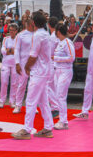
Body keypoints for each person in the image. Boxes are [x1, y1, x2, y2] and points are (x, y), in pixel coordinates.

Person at [11, 11, 54, 139]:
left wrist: (26, 66)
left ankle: (27, 130)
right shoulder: (45, 34)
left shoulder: (38, 35)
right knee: (43, 101)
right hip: (45, 70)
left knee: (31, 100)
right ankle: (47, 128)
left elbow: (33, 55)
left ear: (33, 23)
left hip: (39, 71)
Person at [52, 23, 75, 130]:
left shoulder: (67, 43)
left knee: (61, 95)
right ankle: (62, 119)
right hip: (58, 70)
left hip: (65, 70)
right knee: (58, 95)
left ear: (58, 32)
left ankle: (63, 121)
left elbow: (71, 58)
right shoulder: (60, 43)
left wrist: (56, 58)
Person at [13, 17, 35, 113]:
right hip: (23, 63)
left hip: (35, 63)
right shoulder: (20, 35)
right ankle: (18, 105)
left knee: (33, 85)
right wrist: (17, 63)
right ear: (29, 24)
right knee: (22, 85)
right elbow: (16, 49)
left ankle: (31, 105)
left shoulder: (37, 34)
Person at [0, 23, 18, 108]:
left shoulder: (19, 39)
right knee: (4, 82)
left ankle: (12, 101)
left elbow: (18, 51)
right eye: (10, 30)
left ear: (16, 31)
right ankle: (2, 101)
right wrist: (9, 51)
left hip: (15, 63)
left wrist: (10, 50)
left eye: (13, 30)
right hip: (6, 63)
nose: (11, 32)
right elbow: (3, 50)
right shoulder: (6, 38)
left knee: (14, 83)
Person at [46, 17, 60, 117]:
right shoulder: (58, 35)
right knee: (53, 87)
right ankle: (55, 106)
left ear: (49, 25)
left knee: (48, 86)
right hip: (57, 64)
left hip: (52, 63)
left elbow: (50, 52)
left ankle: (55, 107)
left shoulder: (52, 37)